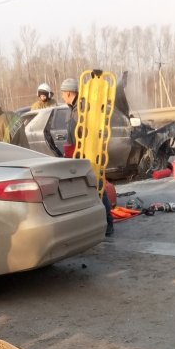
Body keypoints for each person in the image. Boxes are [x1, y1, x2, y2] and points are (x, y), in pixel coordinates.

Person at [60, 78, 114, 237]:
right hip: (77, 155)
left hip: (86, 155)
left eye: (63, 93)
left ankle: (108, 224)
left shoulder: (81, 110)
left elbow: (85, 134)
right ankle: (97, 223)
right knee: (91, 189)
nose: (62, 96)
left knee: (97, 188)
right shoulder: (73, 109)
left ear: (69, 93)